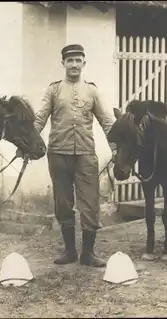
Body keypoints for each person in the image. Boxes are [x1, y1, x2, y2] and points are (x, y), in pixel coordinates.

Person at [23, 44, 117, 267]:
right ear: (63, 63)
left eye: (78, 60)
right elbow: (39, 120)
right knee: (63, 203)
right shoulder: (53, 90)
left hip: (86, 155)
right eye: (70, 60)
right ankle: (69, 251)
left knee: (89, 203)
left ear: (84, 63)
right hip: (58, 154)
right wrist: (27, 145)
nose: (74, 65)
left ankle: (88, 253)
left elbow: (107, 121)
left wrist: (115, 147)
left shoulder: (92, 91)